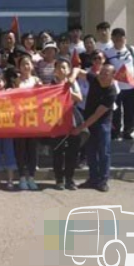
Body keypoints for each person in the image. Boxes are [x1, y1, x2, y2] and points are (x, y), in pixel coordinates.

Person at [72, 63, 117, 192]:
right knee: (90, 151)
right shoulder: (95, 78)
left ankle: (103, 181)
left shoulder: (111, 92)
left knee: (104, 152)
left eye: (106, 74)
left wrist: (81, 128)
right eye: (101, 72)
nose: (101, 76)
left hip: (102, 123)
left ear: (112, 76)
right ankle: (92, 179)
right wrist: (71, 78)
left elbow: (97, 115)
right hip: (88, 120)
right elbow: (77, 69)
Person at [105, 28, 134, 140]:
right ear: (112, 38)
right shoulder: (108, 52)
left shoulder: (131, 49)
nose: (119, 38)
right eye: (116, 36)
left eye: (121, 36)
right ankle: (115, 132)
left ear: (125, 38)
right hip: (115, 87)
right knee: (115, 110)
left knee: (130, 110)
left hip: (130, 86)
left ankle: (128, 131)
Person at [51, 58, 83, 190]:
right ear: (55, 70)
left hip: (71, 118)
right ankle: (59, 179)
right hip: (56, 120)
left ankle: (69, 179)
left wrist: (66, 90)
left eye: (64, 67)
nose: (61, 70)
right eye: (59, 67)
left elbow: (79, 98)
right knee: (57, 151)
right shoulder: (51, 84)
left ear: (69, 70)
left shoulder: (73, 83)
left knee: (72, 151)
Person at [14, 55, 42, 191]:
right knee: (20, 149)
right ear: (19, 67)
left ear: (32, 65)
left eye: (28, 64)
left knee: (32, 149)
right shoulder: (16, 81)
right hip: (19, 119)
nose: (25, 66)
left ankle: (31, 177)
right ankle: (21, 178)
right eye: (23, 64)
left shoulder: (37, 80)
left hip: (33, 119)